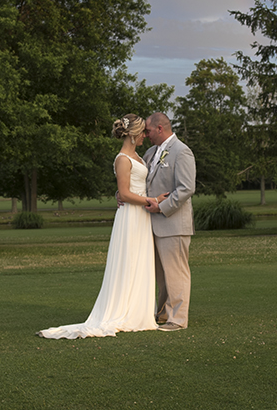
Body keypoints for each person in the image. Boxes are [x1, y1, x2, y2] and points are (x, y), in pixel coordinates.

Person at [38, 114, 159, 339]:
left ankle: (139, 310)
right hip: (131, 216)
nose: (145, 135)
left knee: (140, 260)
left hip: (142, 216)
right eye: (142, 132)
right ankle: (123, 311)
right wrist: (151, 201)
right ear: (133, 134)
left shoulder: (139, 157)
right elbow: (124, 193)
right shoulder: (122, 159)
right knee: (129, 260)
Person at [142, 112, 196, 331]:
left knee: (176, 272)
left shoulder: (182, 152)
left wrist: (161, 207)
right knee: (161, 274)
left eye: (147, 131)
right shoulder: (150, 152)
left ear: (160, 129)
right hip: (151, 224)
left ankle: (178, 319)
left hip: (173, 222)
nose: (145, 135)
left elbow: (186, 188)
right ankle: (163, 313)